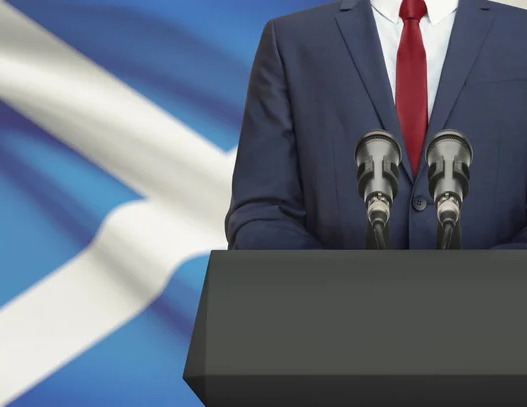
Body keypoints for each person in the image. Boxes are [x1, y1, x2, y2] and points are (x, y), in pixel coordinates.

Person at [225, 0, 527, 250]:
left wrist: (485, 287)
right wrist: (341, 292)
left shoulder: (520, 35)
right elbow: (262, 212)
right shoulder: (292, 40)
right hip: (330, 315)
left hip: (498, 313)